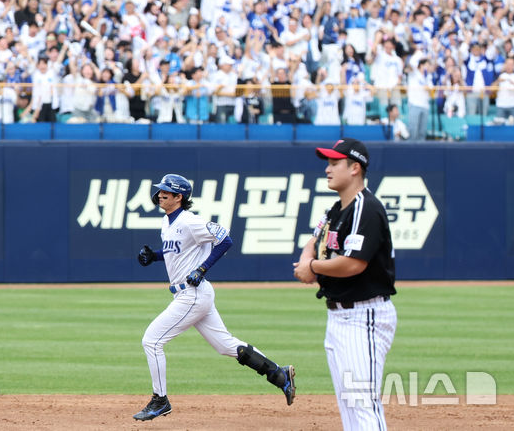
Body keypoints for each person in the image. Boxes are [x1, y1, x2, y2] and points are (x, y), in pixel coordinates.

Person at [133, 174, 296, 421]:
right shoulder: (168, 223)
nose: (160, 194)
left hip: (192, 294)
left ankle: (160, 400)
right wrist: (153, 256)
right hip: (193, 295)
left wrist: (202, 269)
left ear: (179, 197)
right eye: (160, 191)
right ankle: (279, 374)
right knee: (225, 345)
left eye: (167, 191)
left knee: (152, 341)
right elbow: (176, 253)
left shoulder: (189, 221)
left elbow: (225, 239)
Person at [293, 138, 397, 431]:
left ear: (355, 168)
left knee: (363, 404)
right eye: (328, 162)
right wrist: (307, 257)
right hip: (339, 316)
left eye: (334, 163)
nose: (327, 169)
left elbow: (354, 264)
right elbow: (316, 238)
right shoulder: (337, 209)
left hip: (363, 316)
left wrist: (311, 267)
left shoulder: (366, 208)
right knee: (350, 407)